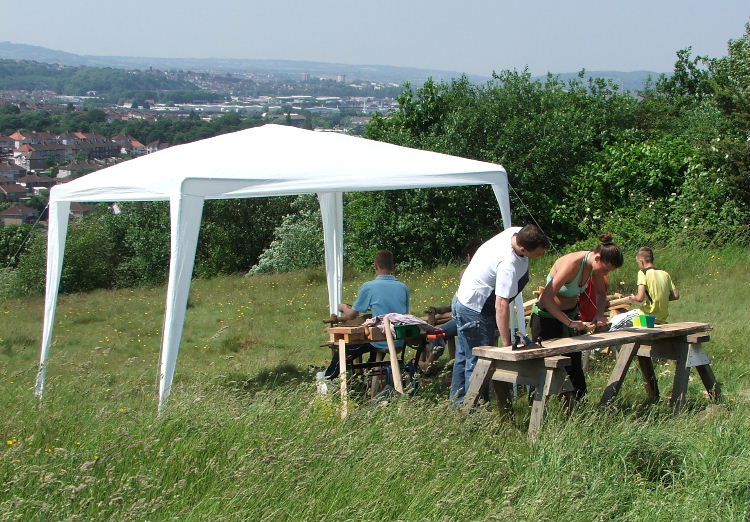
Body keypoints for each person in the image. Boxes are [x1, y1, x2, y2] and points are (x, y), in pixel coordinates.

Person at [450, 224, 550, 404]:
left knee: (464, 357)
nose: (540, 256)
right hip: (475, 310)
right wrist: (507, 345)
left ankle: (457, 404)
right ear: (522, 249)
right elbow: (501, 305)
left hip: (463, 300)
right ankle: (474, 409)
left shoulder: (516, 232)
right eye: (538, 253)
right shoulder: (507, 265)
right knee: (479, 362)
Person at [532, 233, 623, 399]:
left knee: (574, 365)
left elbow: (601, 293)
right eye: (606, 269)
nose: (605, 273)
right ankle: (538, 405)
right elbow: (546, 299)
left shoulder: (594, 266)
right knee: (544, 365)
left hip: (571, 315)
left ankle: (578, 405)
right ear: (597, 258)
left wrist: (599, 314)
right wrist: (569, 322)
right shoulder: (572, 264)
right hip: (547, 318)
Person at [324, 250, 410, 379]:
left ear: (376, 266)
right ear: (393, 267)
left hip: (380, 341)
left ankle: (328, 378)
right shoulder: (403, 287)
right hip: (398, 340)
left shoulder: (369, 287)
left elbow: (352, 315)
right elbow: (403, 314)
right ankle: (370, 374)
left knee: (345, 349)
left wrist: (343, 307)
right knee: (373, 338)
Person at [421, 238, 483, 372]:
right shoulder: (486, 271)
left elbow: (464, 301)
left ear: (468, 257)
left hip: (466, 319)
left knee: (438, 333)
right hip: (471, 317)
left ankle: (430, 363)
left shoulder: (467, 272)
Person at [629, 247, 679, 324]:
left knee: (615, 321)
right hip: (661, 318)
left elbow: (639, 298)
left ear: (641, 261)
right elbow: (676, 296)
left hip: (647, 317)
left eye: (637, 262)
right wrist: (661, 298)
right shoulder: (665, 274)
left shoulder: (643, 272)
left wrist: (633, 298)